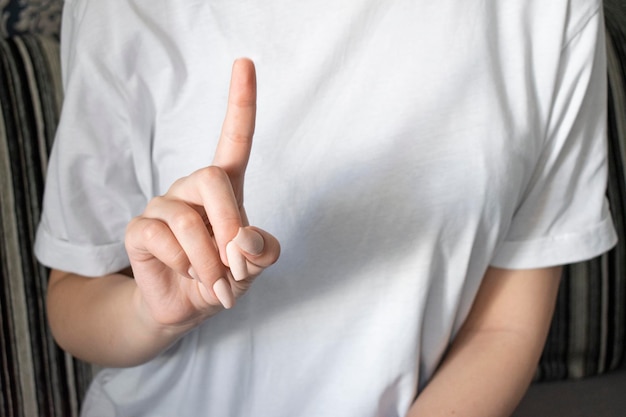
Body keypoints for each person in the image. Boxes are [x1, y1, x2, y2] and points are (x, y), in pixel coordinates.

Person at [35, 0, 617, 416]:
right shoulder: (125, 10)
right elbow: (71, 300)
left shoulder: (554, 14)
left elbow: (504, 327)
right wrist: (153, 312)